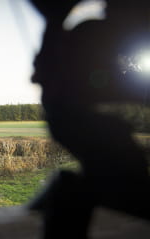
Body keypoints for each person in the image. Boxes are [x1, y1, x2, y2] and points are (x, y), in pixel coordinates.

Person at [28, 1, 150, 238]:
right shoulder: (95, 34)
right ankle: (68, 193)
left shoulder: (96, 31)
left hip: (76, 119)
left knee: (118, 178)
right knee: (128, 186)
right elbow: (97, 84)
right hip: (75, 119)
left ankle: (68, 192)